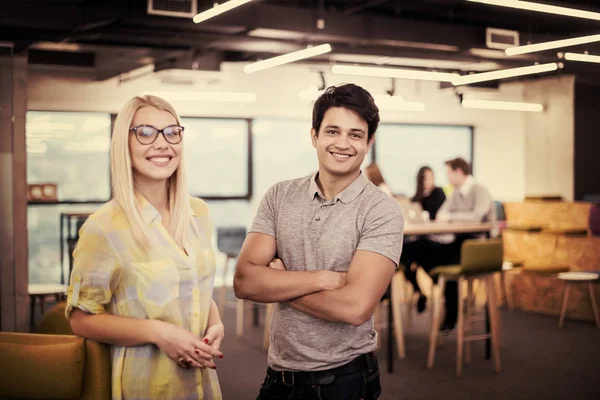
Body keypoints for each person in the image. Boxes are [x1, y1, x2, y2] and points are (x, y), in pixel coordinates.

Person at [234, 84, 404, 400]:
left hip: (346, 381)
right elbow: (245, 282)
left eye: (355, 134)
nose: (343, 143)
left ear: (369, 142)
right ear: (314, 136)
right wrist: (325, 280)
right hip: (278, 378)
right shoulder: (279, 197)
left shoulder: (381, 211)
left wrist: (280, 284)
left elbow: (355, 308)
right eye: (333, 131)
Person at [65, 95, 224, 400]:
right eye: (146, 133)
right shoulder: (105, 227)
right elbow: (81, 318)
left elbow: (192, 286)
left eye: (171, 132)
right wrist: (158, 332)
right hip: (145, 387)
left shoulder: (198, 213)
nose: (163, 143)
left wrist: (215, 324)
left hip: (203, 387)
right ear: (124, 144)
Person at [400, 157, 493, 330]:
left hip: (478, 247)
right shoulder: (456, 193)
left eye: (449, 173)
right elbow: (442, 213)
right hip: (458, 242)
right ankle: (439, 290)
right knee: (417, 247)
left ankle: (452, 311)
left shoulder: (479, 190)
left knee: (447, 260)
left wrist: (451, 217)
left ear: (459, 172)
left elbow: (477, 216)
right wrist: (447, 217)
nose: (447, 177)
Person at [403, 166, 447, 313]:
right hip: (420, 238)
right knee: (404, 257)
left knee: (407, 255)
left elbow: (439, 217)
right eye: (425, 178)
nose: (428, 180)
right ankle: (419, 291)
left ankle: (436, 280)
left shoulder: (439, 194)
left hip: (435, 238)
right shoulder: (416, 198)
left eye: (430, 176)